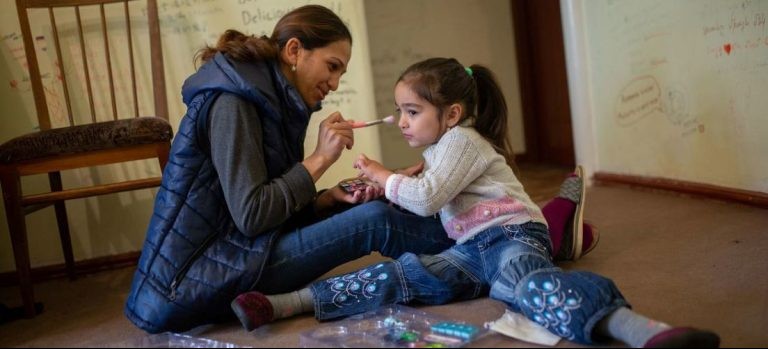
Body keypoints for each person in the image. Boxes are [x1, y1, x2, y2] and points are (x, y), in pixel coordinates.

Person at [124, 5, 592, 334]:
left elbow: (261, 209)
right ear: (293, 51)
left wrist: (328, 198)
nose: (334, 83)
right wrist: (321, 159)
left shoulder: (262, 96)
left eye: (341, 72)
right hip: (193, 282)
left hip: (242, 251)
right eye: (332, 66)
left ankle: (520, 232)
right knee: (378, 220)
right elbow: (251, 215)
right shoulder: (234, 103)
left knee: (383, 206)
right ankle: (534, 234)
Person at [231, 58, 720, 348]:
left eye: (411, 112)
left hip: (510, 235)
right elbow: (424, 189)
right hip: (469, 249)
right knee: (402, 274)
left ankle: (644, 331)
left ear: (453, 114)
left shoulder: (464, 140)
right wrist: (387, 185)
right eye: (399, 111)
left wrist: (383, 174)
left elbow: (425, 201)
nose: (401, 122)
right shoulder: (443, 148)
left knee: (526, 285)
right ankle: (284, 303)